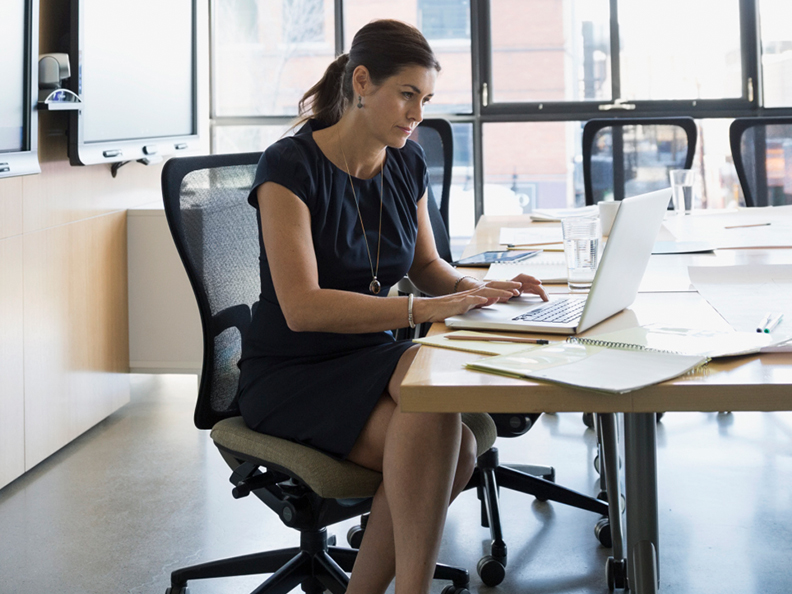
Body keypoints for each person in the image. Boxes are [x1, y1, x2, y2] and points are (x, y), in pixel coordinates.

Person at [236, 19, 548, 594]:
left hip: (371, 356)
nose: (417, 114)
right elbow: (303, 307)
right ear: (361, 82)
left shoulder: (405, 162)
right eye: (407, 94)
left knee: (442, 423)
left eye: (425, 99)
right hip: (292, 370)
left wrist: (483, 291)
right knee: (444, 432)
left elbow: (427, 267)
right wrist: (422, 312)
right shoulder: (288, 167)